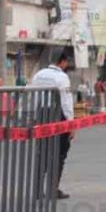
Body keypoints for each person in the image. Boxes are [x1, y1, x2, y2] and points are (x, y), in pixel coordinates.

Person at [31, 50, 74, 200]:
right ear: (62, 61)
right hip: (57, 115)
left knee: (42, 153)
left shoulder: (38, 75)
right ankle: (52, 189)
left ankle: (37, 190)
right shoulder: (62, 77)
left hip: (42, 115)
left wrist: (35, 117)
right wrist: (71, 123)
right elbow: (66, 101)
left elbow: (33, 97)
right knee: (59, 154)